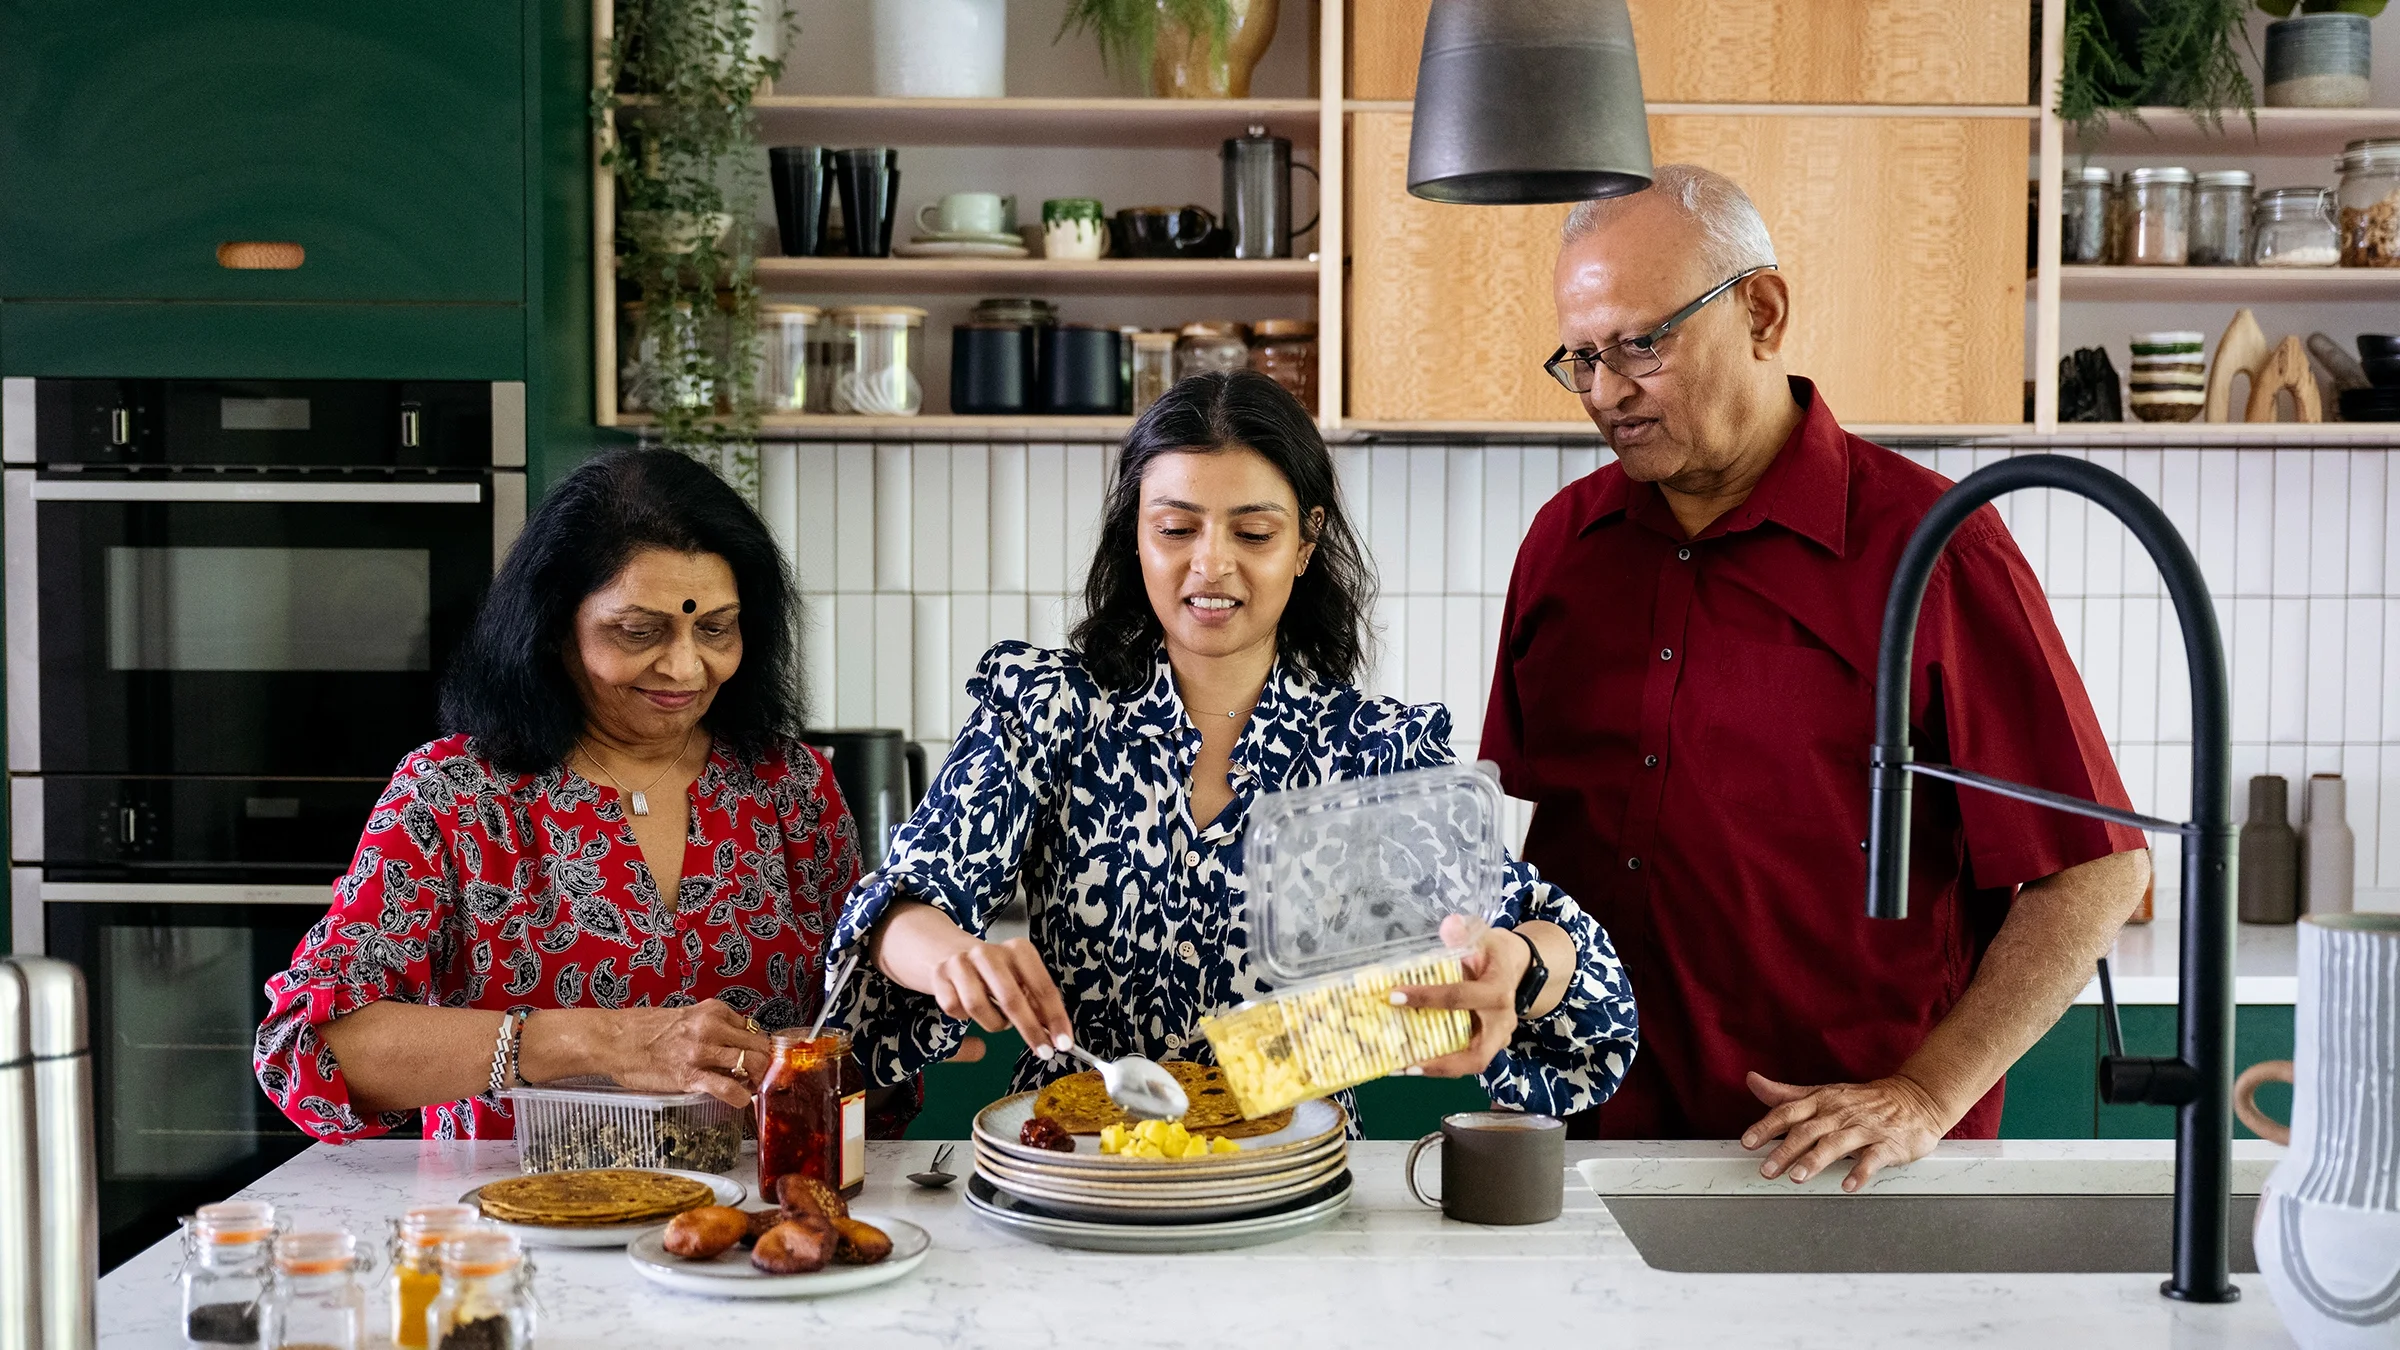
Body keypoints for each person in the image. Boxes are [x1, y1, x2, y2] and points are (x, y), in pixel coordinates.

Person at [1483, 164, 2152, 1187]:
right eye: (1580, 357)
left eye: (1639, 344)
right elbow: (1512, 840)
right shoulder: (1561, 547)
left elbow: (2098, 867)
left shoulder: (1938, 548)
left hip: (1840, 1168)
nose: (1607, 392)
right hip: (1590, 1150)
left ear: (1761, 310)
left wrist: (1926, 1094)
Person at [831, 372, 1638, 1128]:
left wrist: (1518, 967)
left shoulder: (1374, 750)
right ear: (1136, 536)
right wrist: (954, 959)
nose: (1210, 564)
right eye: (1176, 528)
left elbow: (1544, 940)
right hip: (1079, 1164)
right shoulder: (1045, 708)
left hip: (1294, 1180)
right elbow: (904, 901)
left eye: (1253, 532)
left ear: (1306, 542)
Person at [254, 448, 863, 1142]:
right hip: (510, 1231)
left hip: (746, 1232)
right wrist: (604, 1043)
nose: (687, 666)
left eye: (716, 628)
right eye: (639, 631)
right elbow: (306, 1053)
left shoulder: (790, 787)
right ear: (553, 627)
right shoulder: (457, 795)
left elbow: (856, 1037)